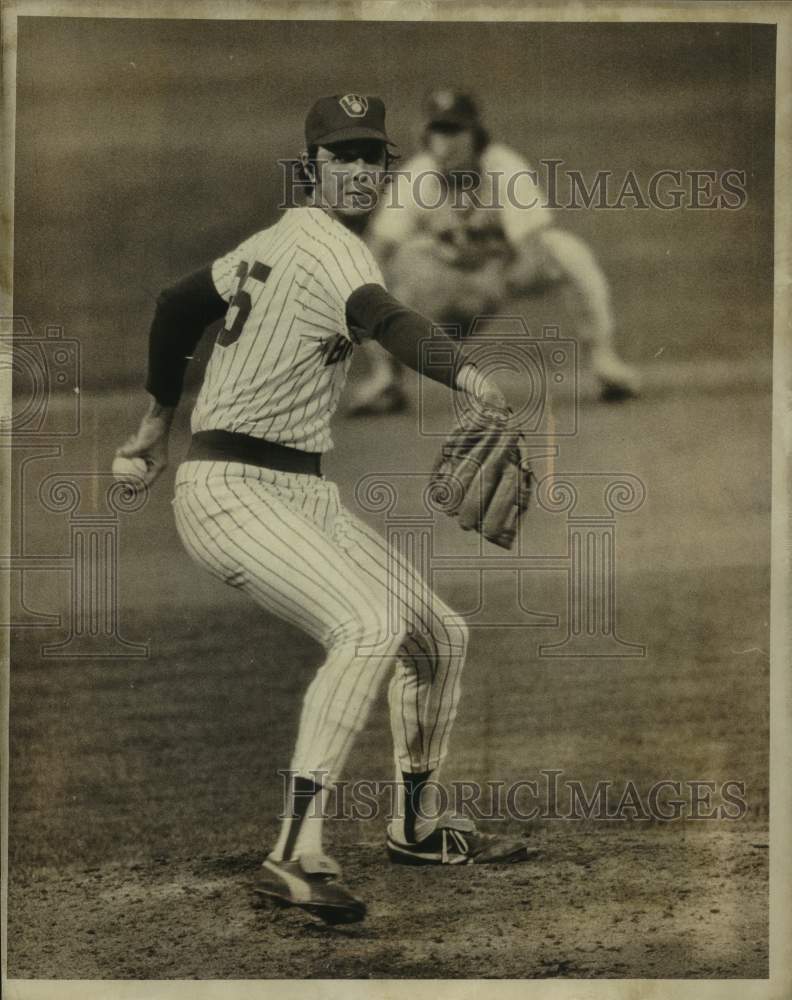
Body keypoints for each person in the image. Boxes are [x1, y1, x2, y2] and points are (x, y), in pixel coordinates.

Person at [115, 94, 534, 926]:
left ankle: (415, 824)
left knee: (438, 636)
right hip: (231, 494)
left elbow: (175, 305)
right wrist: (472, 379)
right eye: (342, 157)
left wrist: (152, 428)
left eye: (373, 158)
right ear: (312, 167)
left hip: (298, 494)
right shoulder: (328, 249)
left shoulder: (265, 244)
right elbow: (387, 319)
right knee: (368, 627)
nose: (360, 172)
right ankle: (294, 852)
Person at [346, 89, 640, 415]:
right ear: (426, 137)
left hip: (502, 274)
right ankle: (386, 378)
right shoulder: (416, 177)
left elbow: (533, 253)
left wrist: (490, 290)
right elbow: (376, 250)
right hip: (444, 283)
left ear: (476, 135)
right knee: (368, 276)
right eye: (439, 131)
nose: (448, 141)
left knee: (568, 251)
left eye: (456, 130)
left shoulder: (505, 169)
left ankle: (604, 360)